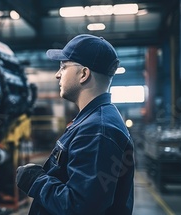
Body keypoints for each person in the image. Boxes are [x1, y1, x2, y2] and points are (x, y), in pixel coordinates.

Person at [16, 34, 134, 214]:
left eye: (63, 67)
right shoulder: (92, 121)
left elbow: (79, 208)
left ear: (84, 74)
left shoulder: (96, 130)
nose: (57, 75)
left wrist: (36, 181)